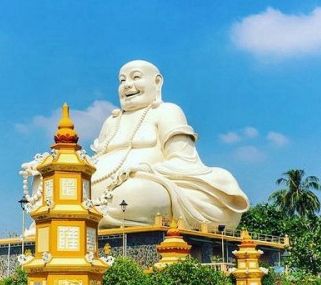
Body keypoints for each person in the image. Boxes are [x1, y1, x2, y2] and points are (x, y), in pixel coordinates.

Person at [88, 60, 250, 228]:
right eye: (122, 80)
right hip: (98, 187)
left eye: (135, 77)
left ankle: (94, 218)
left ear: (157, 82)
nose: (127, 85)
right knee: (62, 190)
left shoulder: (167, 111)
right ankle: (92, 215)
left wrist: (146, 169)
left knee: (135, 194)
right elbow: (96, 159)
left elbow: (185, 161)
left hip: (145, 183)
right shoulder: (111, 121)